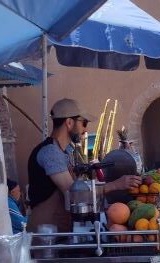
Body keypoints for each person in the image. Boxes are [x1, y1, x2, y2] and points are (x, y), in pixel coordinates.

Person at [27, 99, 140, 232]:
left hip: (60, 228)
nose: (85, 130)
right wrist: (116, 185)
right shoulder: (50, 153)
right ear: (69, 122)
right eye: (84, 123)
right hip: (46, 233)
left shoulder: (65, 151)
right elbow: (74, 194)